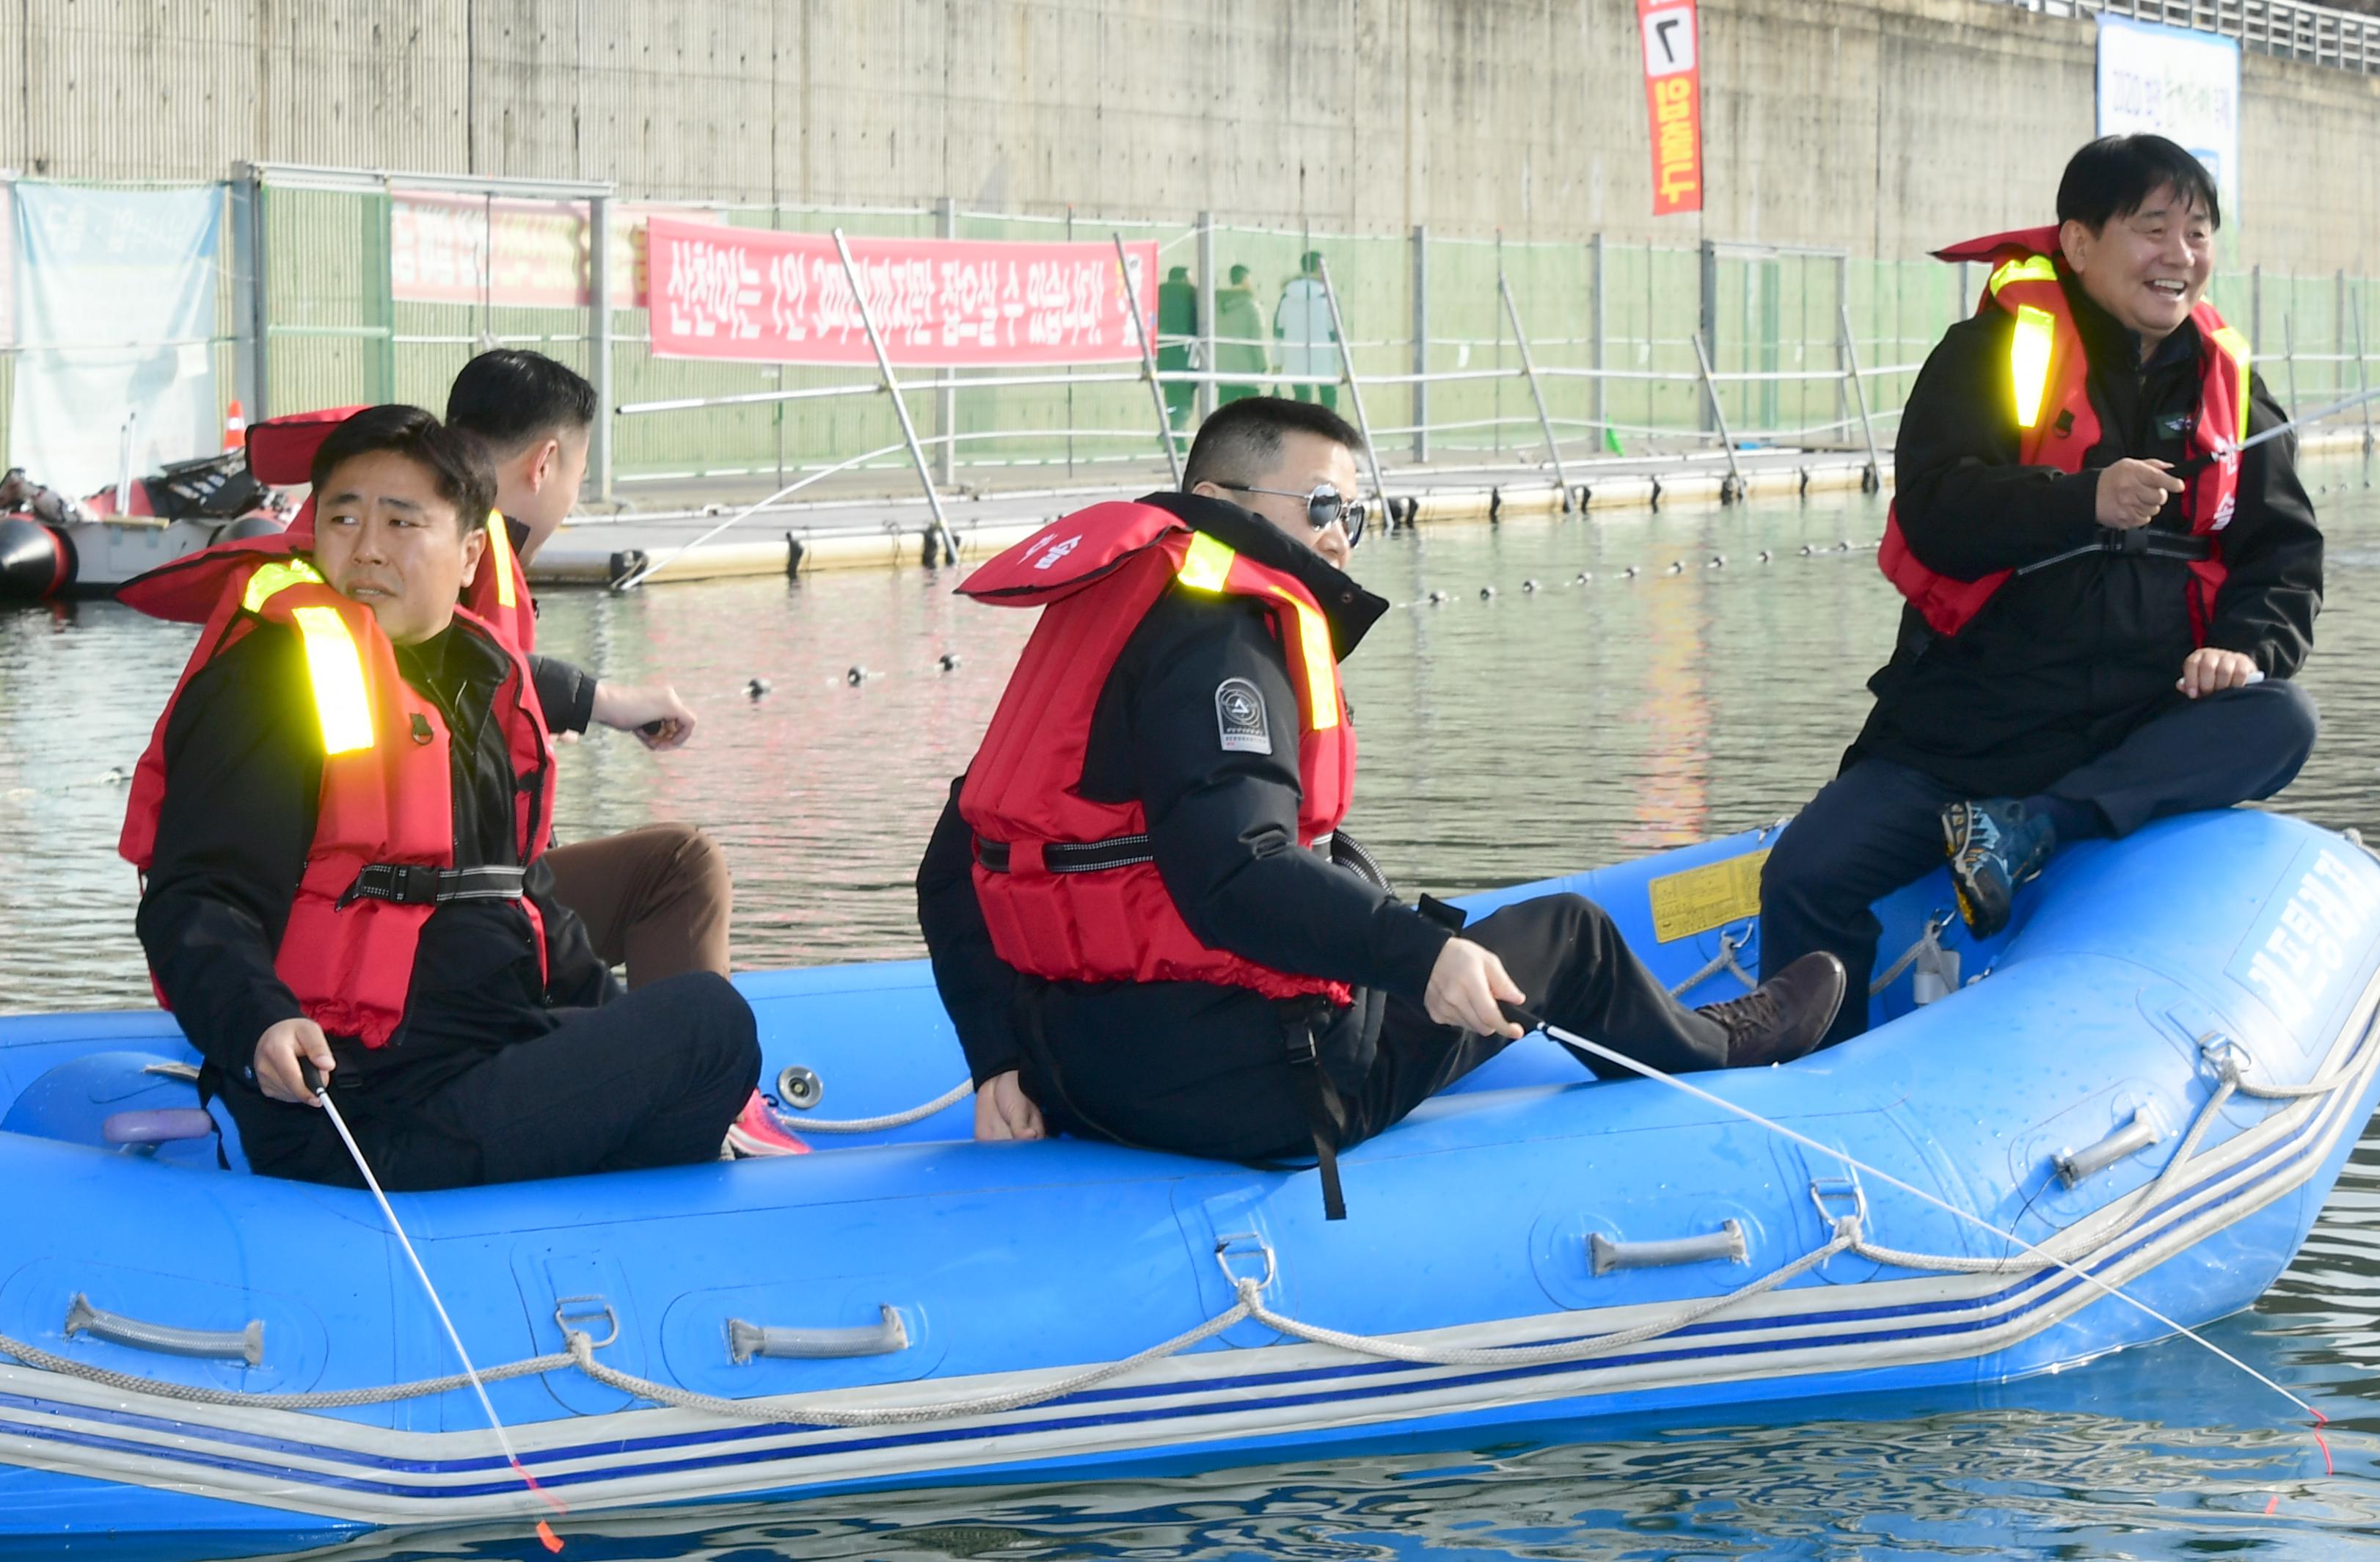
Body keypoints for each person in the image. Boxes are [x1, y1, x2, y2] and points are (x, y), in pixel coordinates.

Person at [916, 396, 1845, 1215]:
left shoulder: (1116, 607)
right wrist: (1422, 952)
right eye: (1321, 506)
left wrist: (998, 1053)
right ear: (1228, 502)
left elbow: (952, 863)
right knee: (1570, 937)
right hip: (1244, 1088)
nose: (1340, 537)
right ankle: (1724, 1043)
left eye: (1357, 513)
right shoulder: (1224, 636)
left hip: (1073, 1068)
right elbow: (1235, 872)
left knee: (1382, 898)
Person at [123, 406, 795, 1188]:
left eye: (402, 521)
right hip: (357, 1105)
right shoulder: (273, 678)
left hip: (477, 1057)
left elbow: (521, 898)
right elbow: (197, 897)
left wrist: (611, 1017)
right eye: (342, 516)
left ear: (471, 546)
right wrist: (259, 1021)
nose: (367, 547)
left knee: (688, 1022)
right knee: (711, 1027)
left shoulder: (481, 682)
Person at [1756, 135, 2324, 1051]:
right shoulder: (1989, 352)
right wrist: (2079, 500)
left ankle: (2036, 828)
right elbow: (1936, 511)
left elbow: (2285, 556)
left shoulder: (2232, 385)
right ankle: (1806, 1078)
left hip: (2136, 727)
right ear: (2078, 240)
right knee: (1805, 877)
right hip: (1965, 732)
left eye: (2199, 231)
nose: (2180, 256)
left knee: (2281, 719)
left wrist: (2245, 646)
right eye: (2153, 228)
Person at [445, 348, 733, 989]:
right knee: (684, 864)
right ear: (545, 462)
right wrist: (605, 700)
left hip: (392, 896)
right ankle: (694, 1081)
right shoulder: (470, 547)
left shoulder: (405, 536)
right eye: (577, 476)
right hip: (453, 911)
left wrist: (528, 725)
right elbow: (472, 663)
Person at [1273, 251, 1340, 408]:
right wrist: (1343, 365)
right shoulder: (1327, 295)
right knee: (1329, 401)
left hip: (1294, 357)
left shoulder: (1287, 295)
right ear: (1320, 268)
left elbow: (1279, 331)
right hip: (1324, 357)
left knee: (1302, 403)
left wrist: (1277, 363)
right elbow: (1336, 333)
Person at [1212, 266, 1270, 406]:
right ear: (1245, 280)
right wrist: (1263, 365)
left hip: (1224, 371)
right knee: (1252, 416)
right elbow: (1257, 339)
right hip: (1248, 371)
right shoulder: (1251, 306)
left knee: (1225, 417)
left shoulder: (1217, 306)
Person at [1157, 265, 1202, 433]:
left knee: (1171, 395)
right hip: (1187, 351)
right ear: (1185, 278)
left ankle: (1173, 427)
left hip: (1164, 351)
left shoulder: (1158, 293)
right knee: (1185, 395)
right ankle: (1178, 431)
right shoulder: (1192, 293)